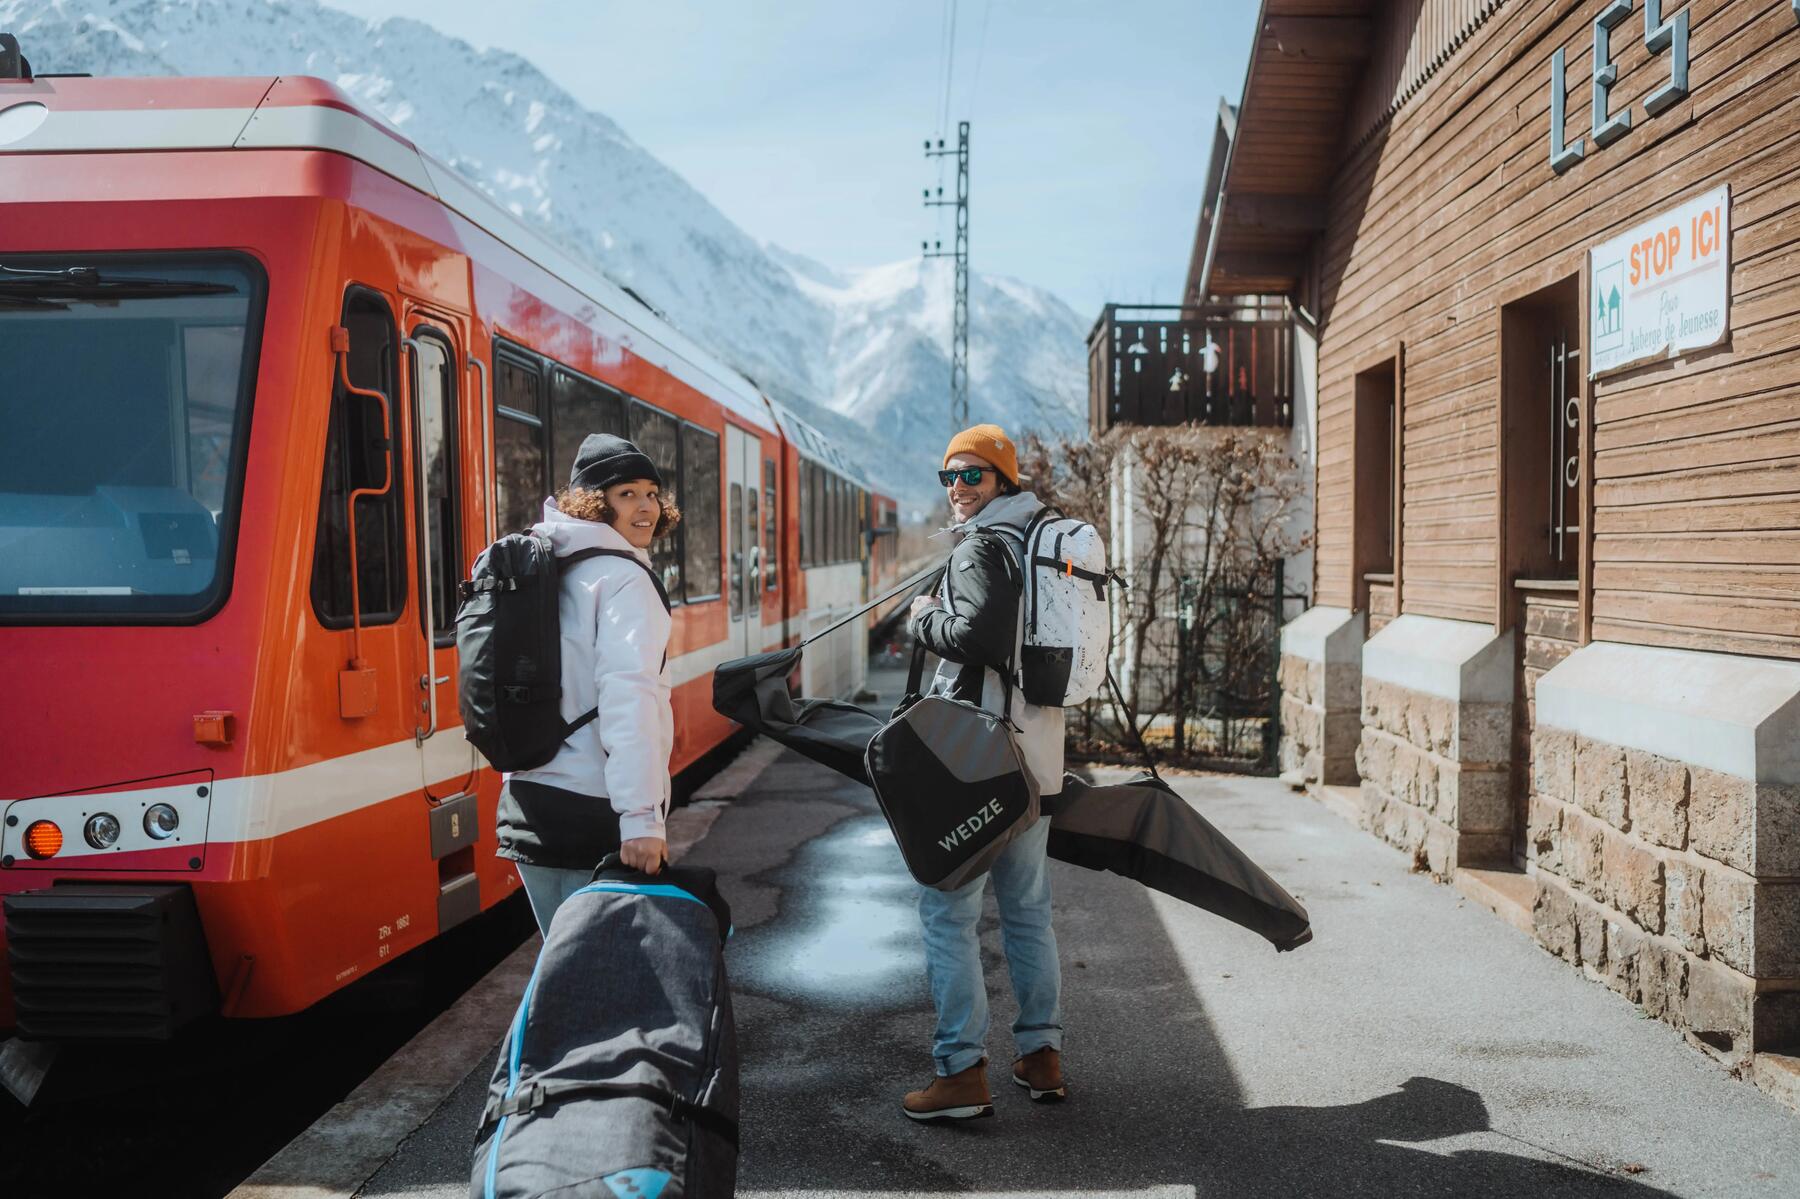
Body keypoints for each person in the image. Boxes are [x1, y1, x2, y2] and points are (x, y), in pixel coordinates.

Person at [901, 422, 1067, 1121]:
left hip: (978, 760)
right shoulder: (1040, 542)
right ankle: (1040, 1054)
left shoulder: (981, 548)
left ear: (1003, 481)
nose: (961, 488)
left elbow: (977, 639)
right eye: (952, 476)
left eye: (975, 475)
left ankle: (962, 1070)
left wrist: (921, 619)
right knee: (1028, 910)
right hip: (1038, 754)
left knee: (948, 913)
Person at [496, 433, 680, 935]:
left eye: (651, 492)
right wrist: (642, 818)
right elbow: (631, 697)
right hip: (593, 811)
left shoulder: (547, 567)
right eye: (626, 495)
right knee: (605, 988)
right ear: (595, 504)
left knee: (563, 979)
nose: (645, 507)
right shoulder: (624, 580)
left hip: (527, 803)